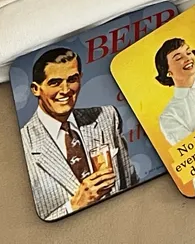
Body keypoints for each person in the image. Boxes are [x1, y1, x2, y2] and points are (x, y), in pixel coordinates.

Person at [18, 48, 135, 220]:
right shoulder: (22, 145)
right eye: (55, 82)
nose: (65, 90)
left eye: (72, 80)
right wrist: (74, 206)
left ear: (80, 78)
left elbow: (130, 181)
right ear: (36, 89)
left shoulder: (107, 117)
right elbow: (26, 225)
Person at [155, 37, 195, 146]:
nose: (188, 58)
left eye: (189, 52)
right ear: (168, 72)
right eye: (178, 58)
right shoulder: (169, 116)